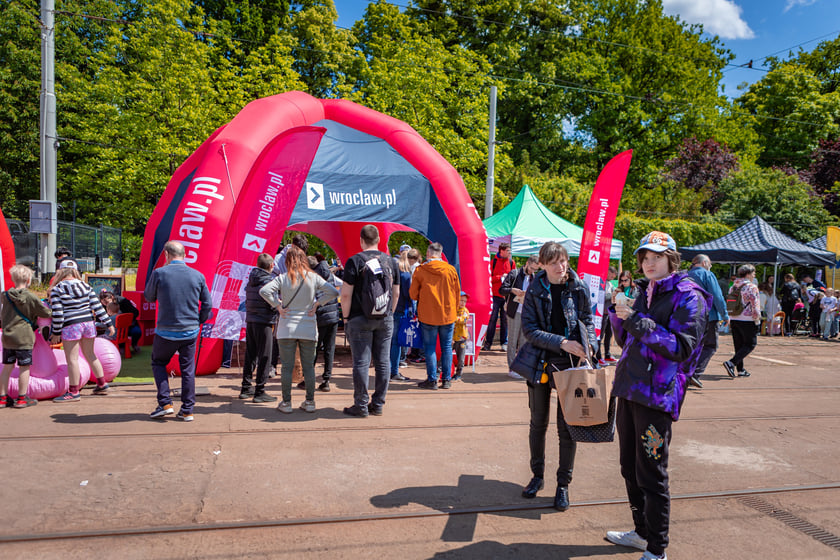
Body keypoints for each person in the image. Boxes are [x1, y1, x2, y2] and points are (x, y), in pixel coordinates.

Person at [606, 231, 709, 560]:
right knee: (629, 466)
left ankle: (657, 549)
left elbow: (681, 347)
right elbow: (628, 342)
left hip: (659, 396)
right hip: (630, 388)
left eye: (656, 257)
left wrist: (636, 320)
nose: (649, 263)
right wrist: (616, 313)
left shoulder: (689, 295)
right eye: (645, 258)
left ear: (672, 260)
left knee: (652, 471)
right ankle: (641, 533)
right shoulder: (646, 291)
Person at [518, 242, 595, 511]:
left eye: (563, 261)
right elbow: (529, 329)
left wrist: (590, 346)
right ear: (542, 264)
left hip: (570, 366)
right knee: (538, 423)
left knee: (567, 428)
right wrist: (561, 341)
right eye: (553, 263)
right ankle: (537, 476)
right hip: (540, 363)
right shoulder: (535, 288)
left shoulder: (579, 286)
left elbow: (588, 320)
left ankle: (563, 485)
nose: (560, 267)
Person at [260, 246, 339, 413]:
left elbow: (264, 291)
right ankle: (310, 402)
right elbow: (332, 291)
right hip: (308, 327)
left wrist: (278, 306)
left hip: (286, 327)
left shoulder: (283, 278)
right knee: (309, 366)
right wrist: (318, 303)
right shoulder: (313, 277)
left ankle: (286, 403)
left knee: (287, 367)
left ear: (287, 261)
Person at [144, 241, 212, 421]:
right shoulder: (197, 275)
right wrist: (199, 320)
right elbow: (208, 304)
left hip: (165, 330)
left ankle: (165, 403)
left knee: (158, 363)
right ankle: (188, 409)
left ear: (166, 254)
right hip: (189, 331)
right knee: (188, 370)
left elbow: (149, 296)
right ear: (184, 254)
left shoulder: (159, 273)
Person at [340, 225, 400, 417]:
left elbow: (346, 295)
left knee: (361, 362)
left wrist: (346, 318)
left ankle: (361, 405)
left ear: (361, 240)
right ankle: (379, 404)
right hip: (385, 318)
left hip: (359, 318)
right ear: (379, 240)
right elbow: (396, 293)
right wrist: (389, 313)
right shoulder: (391, 262)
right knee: (383, 362)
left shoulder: (354, 261)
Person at [49, 261, 115, 402]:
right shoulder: (86, 286)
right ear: (75, 271)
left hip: (71, 325)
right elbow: (97, 307)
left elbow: (58, 314)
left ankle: (73, 392)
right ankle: (102, 384)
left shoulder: (57, 289)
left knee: (72, 359)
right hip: (88, 324)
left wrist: (55, 332)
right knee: (90, 354)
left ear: (60, 271)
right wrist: (109, 323)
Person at [410, 242, 461, 390]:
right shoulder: (451, 270)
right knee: (446, 347)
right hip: (447, 314)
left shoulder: (421, 270)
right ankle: (446, 380)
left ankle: (432, 380)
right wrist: (455, 310)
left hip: (427, 315)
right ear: (441, 254)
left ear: (428, 253)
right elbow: (457, 294)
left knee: (430, 348)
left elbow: (413, 294)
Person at [1, 264, 52, 408]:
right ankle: (22, 398)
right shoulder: (30, 297)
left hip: (7, 336)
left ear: (13, 278)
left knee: (7, 367)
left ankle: (3, 398)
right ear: (29, 279)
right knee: (24, 367)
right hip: (24, 337)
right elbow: (45, 312)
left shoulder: (5, 296)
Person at [239, 253, 278, 401]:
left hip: (251, 320)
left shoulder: (251, 280)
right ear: (271, 266)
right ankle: (260, 391)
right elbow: (273, 302)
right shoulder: (270, 281)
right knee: (265, 356)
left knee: (251, 355)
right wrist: (278, 307)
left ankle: (246, 387)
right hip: (265, 321)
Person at [686, 254, 729, 389]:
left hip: (689, 315)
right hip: (708, 316)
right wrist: (725, 314)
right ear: (704, 263)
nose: (710, 266)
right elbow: (717, 296)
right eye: (710, 264)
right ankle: (695, 373)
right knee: (710, 345)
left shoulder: (686, 275)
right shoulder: (707, 275)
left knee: (692, 345)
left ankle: (684, 372)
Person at [500, 255, 539, 379]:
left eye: (535, 269)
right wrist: (513, 290)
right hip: (514, 311)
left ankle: (521, 367)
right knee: (512, 340)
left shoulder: (534, 277)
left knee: (524, 341)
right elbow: (502, 290)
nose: (532, 271)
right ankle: (512, 368)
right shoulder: (515, 273)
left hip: (527, 312)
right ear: (527, 263)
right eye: (531, 268)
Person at [722, 264, 761, 378]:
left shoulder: (733, 286)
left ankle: (740, 369)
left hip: (734, 317)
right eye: (753, 273)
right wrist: (757, 318)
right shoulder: (752, 287)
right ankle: (731, 363)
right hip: (747, 319)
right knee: (750, 344)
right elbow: (755, 305)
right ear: (748, 274)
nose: (754, 275)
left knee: (738, 345)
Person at [312, 254, 342, 392]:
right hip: (333, 315)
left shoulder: (313, 277)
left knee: (314, 348)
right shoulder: (329, 274)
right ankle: (326, 380)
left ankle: (308, 378)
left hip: (320, 316)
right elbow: (340, 286)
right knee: (330, 349)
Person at [483, 243, 515, 352]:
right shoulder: (493, 262)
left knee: (505, 320)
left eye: (510, 251)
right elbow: (487, 278)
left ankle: (504, 343)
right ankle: (488, 343)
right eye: (508, 251)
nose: (509, 253)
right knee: (492, 319)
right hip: (495, 295)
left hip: (507, 296)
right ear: (502, 251)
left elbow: (515, 278)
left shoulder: (511, 262)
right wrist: (500, 277)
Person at [390, 248, 414, 382]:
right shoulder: (406, 275)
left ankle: (389, 370)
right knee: (398, 343)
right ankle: (394, 371)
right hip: (401, 310)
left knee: (390, 342)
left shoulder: (393, 272)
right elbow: (409, 295)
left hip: (390, 310)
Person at [596, 265, 619, 366]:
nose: (612, 278)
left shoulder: (610, 284)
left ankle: (607, 354)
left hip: (609, 313)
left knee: (609, 335)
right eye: (612, 276)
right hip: (601, 314)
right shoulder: (601, 282)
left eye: (614, 277)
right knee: (600, 336)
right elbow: (600, 297)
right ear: (608, 272)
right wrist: (612, 294)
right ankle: (598, 356)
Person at [452, 291, 470, 382]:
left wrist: (452, 318)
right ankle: (440, 371)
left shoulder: (465, 311)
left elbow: (462, 320)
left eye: (464, 301)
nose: (463, 303)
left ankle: (458, 374)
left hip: (461, 338)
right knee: (445, 355)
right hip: (452, 338)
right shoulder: (453, 309)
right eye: (461, 300)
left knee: (461, 359)